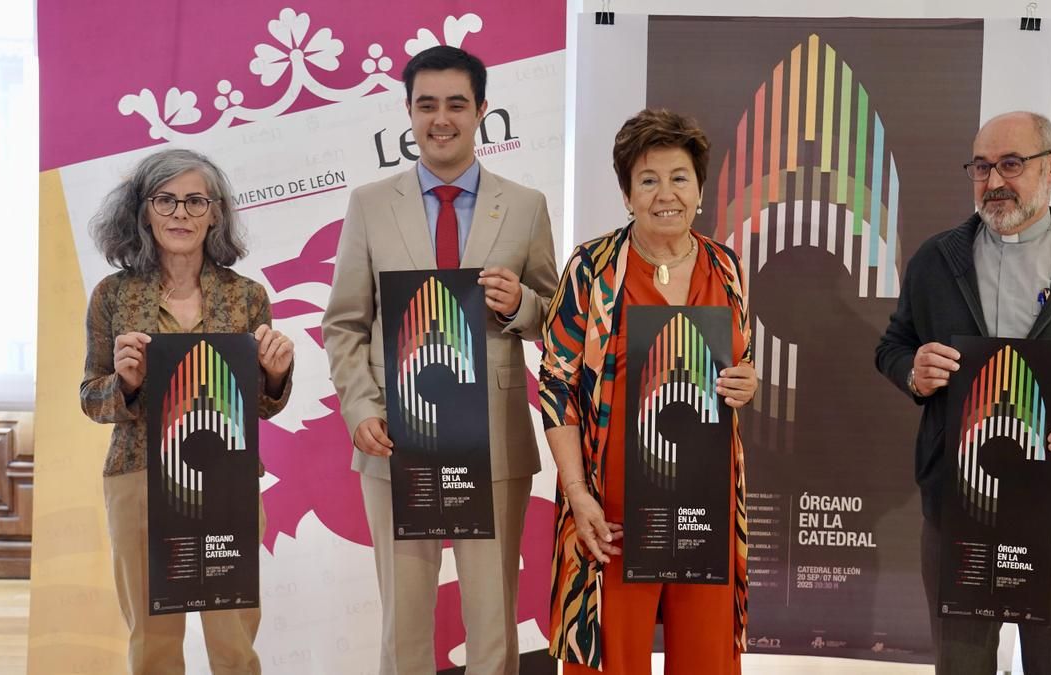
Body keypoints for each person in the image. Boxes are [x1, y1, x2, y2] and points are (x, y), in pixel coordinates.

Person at [875, 111, 1051, 674]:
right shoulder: (936, 260)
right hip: (960, 507)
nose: (994, 181)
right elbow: (894, 345)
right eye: (981, 167)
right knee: (961, 665)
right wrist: (913, 370)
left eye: (1011, 164)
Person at [321, 45, 558, 675]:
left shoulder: (526, 204)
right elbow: (344, 323)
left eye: (457, 103)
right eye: (427, 105)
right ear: (409, 112)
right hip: (397, 438)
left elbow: (558, 320)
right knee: (403, 618)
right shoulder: (370, 204)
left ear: (482, 110)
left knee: (493, 618)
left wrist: (520, 306)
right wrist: (362, 408)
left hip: (494, 440)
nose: (441, 118)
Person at [539, 108, 757, 674]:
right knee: (614, 663)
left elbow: (741, 363)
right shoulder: (592, 267)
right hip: (609, 515)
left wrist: (746, 381)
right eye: (648, 179)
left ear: (701, 189)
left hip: (702, 508)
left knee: (707, 662)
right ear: (627, 193)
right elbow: (557, 385)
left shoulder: (727, 267)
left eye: (679, 177)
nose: (666, 193)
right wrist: (576, 493)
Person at [80, 148, 295, 673]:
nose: (180, 214)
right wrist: (126, 384)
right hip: (138, 477)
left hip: (227, 480)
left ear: (215, 211)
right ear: (143, 210)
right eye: (166, 200)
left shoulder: (247, 296)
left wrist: (275, 373)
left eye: (194, 201)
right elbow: (91, 396)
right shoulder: (113, 295)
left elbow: (263, 405)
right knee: (152, 642)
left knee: (234, 639)